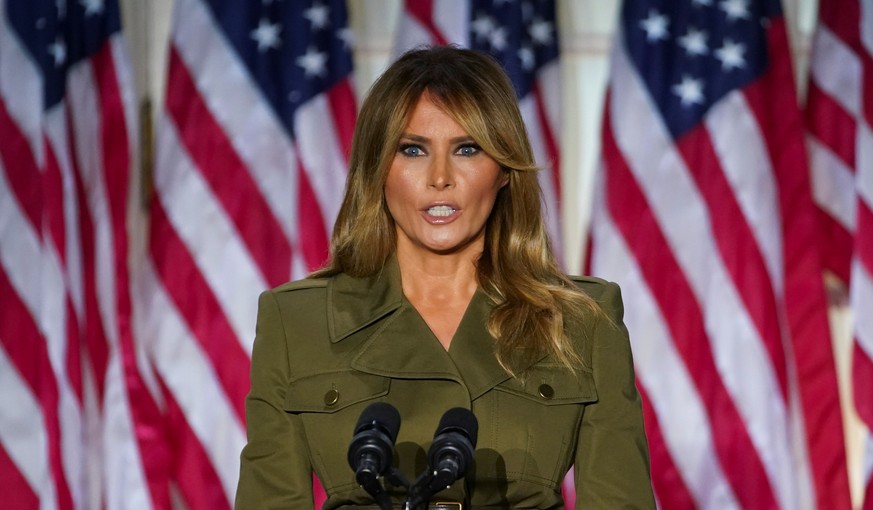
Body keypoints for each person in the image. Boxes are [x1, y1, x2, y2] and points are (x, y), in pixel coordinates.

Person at [235, 46, 655, 509]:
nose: (440, 177)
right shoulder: (297, 321)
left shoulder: (583, 319)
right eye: (413, 150)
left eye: (467, 148)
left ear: (503, 171)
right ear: (378, 169)